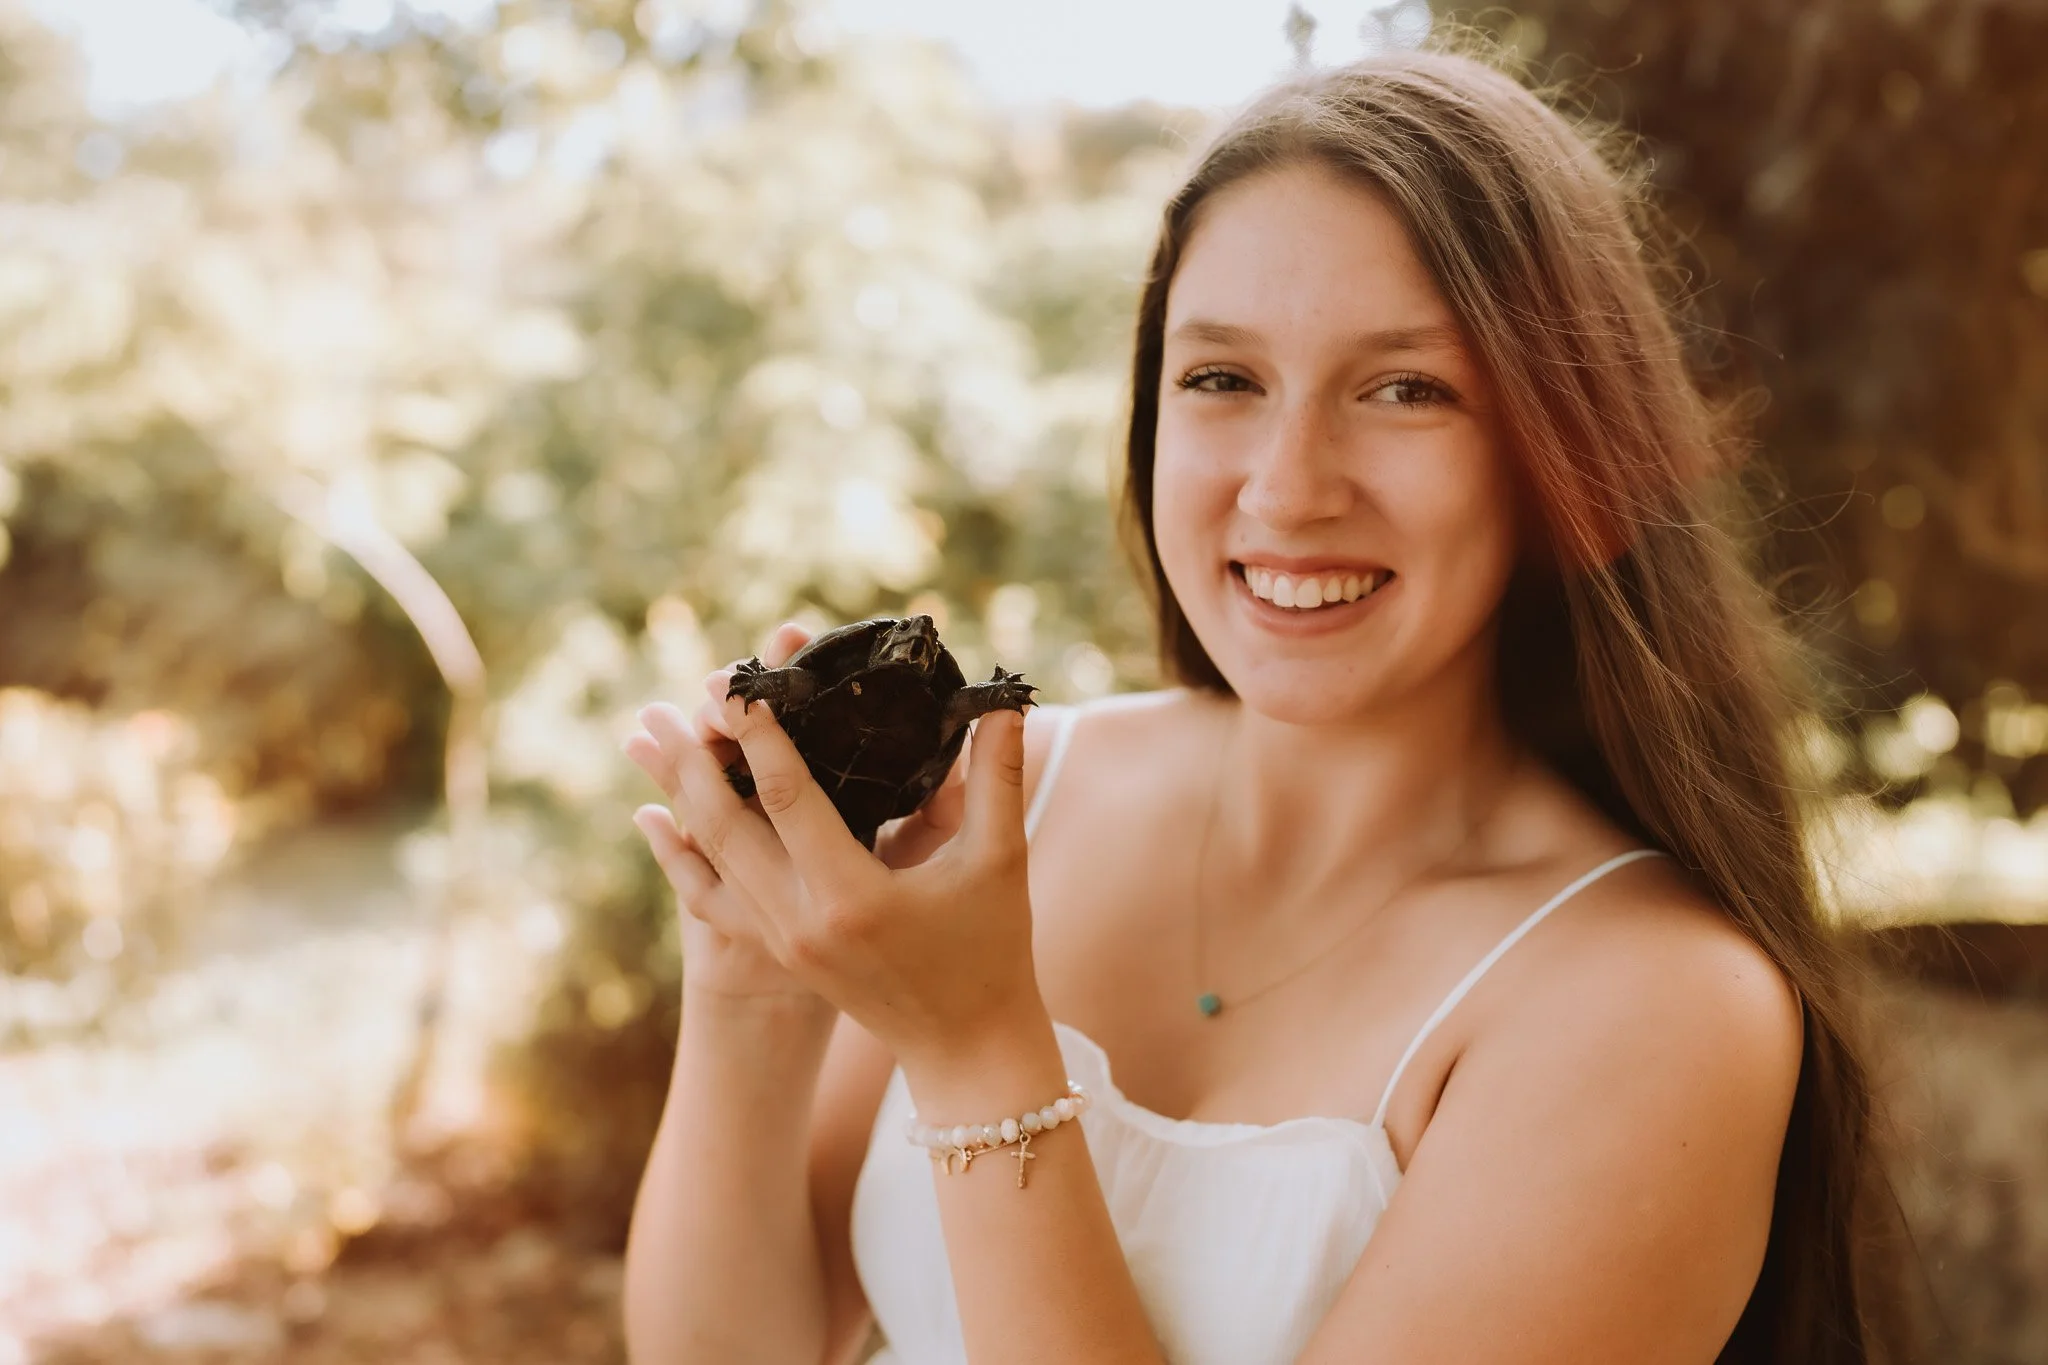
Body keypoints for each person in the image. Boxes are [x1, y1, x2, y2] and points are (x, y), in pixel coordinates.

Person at [618, 42, 1905, 1365]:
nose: (1289, 490)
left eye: (1405, 389)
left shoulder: (1658, 1009)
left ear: (1559, 450)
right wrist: (753, 997)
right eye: (1222, 379)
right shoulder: (1004, 803)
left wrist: (980, 1056)